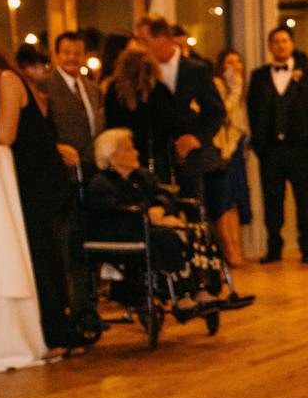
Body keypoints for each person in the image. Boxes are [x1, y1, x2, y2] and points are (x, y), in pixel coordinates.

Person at [0, 30, 76, 351]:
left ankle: (59, 331)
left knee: (41, 251)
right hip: (21, 177)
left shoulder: (9, 79)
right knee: (35, 250)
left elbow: (5, 135)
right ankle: (48, 329)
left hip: (41, 177)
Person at [86, 129, 234, 322]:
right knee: (168, 236)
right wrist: (150, 215)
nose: (136, 153)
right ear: (112, 157)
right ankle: (182, 295)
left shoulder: (142, 177)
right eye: (129, 149)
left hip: (149, 226)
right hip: (126, 231)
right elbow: (111, 213)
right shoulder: (102, 183)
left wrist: (161, 208)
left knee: (199, 230)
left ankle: (206, 288)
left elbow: (164, 195)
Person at [246, 26, 308, 266]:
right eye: (275, 41)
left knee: (305, 200)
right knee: (272, 201)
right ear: (269, 46)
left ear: (292, 44)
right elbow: (253, 111)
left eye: (284, 41)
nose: (280, 45)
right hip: (271, 150)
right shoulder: (259, 76)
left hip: (301, 148)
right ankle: (274, 248)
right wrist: (259, 144)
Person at [142, 16, 222, 206]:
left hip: (190, 158)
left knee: (192, 207)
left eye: (146, 42)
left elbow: (216, 111)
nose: (143, 48)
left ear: (163, 39)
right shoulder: (144, 71)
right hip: (158, 158)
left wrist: (198, 138)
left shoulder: (195, 69)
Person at [104, 45, 180, 184]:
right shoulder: (158, 89)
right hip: (155, 154)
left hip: (123, 154)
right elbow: (171, 123)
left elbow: (109, 123)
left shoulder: (114, 90)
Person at [206, 48, 253, 270]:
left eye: (237, 61)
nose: (234, 66)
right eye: (229, 62)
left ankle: (237, 250)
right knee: (222, 201)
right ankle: (228, 251)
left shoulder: (243, 88)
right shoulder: (218, 85)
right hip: (222, 148)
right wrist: (234, 89)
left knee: (235, 200)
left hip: (238, 149)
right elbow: (221, 112)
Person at [42, 30, 101, 168]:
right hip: (62, 163)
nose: (72, 58)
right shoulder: (44, 86)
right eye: (67, 53)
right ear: (57, 55)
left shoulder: (93, 88)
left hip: (92, 163)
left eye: (77, 53)